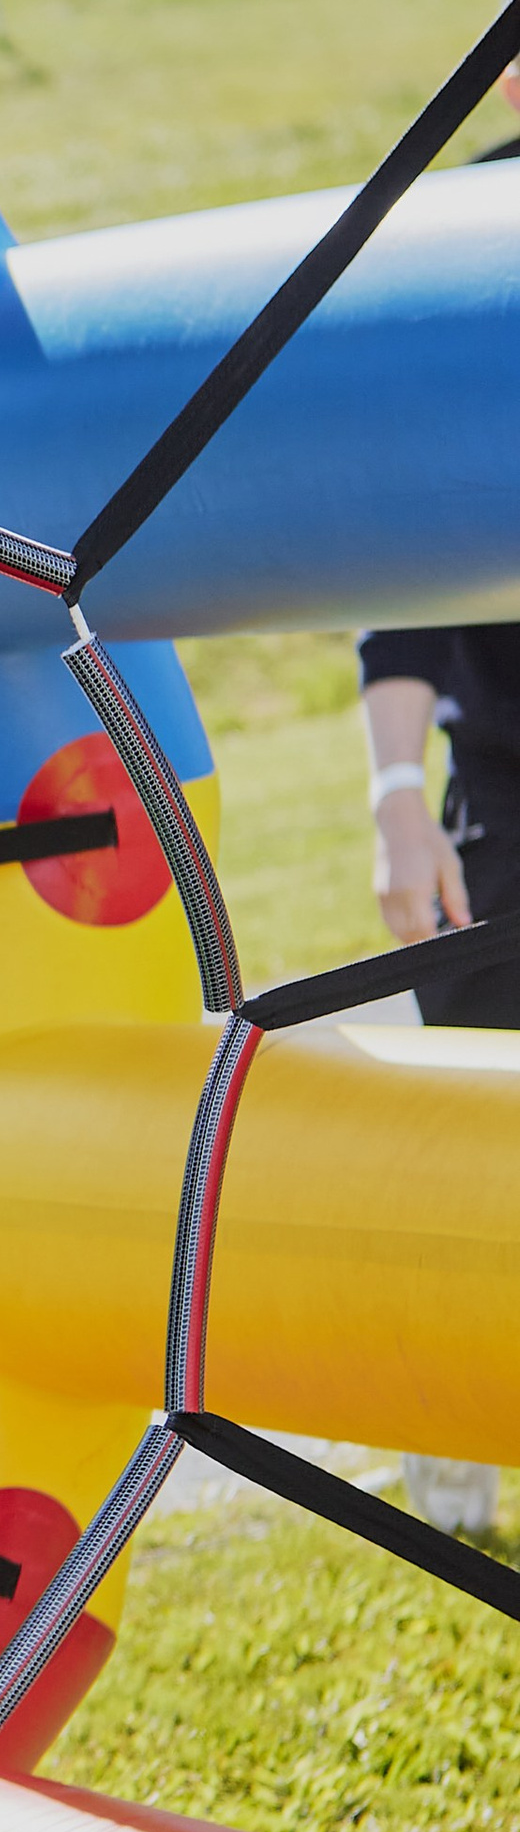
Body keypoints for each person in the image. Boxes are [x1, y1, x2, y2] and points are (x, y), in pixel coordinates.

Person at [358, 621, 519, 1537]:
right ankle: (453, 1472)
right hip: (502, 806)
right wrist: (398, 801)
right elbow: (404, 615)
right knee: (479, 1167)